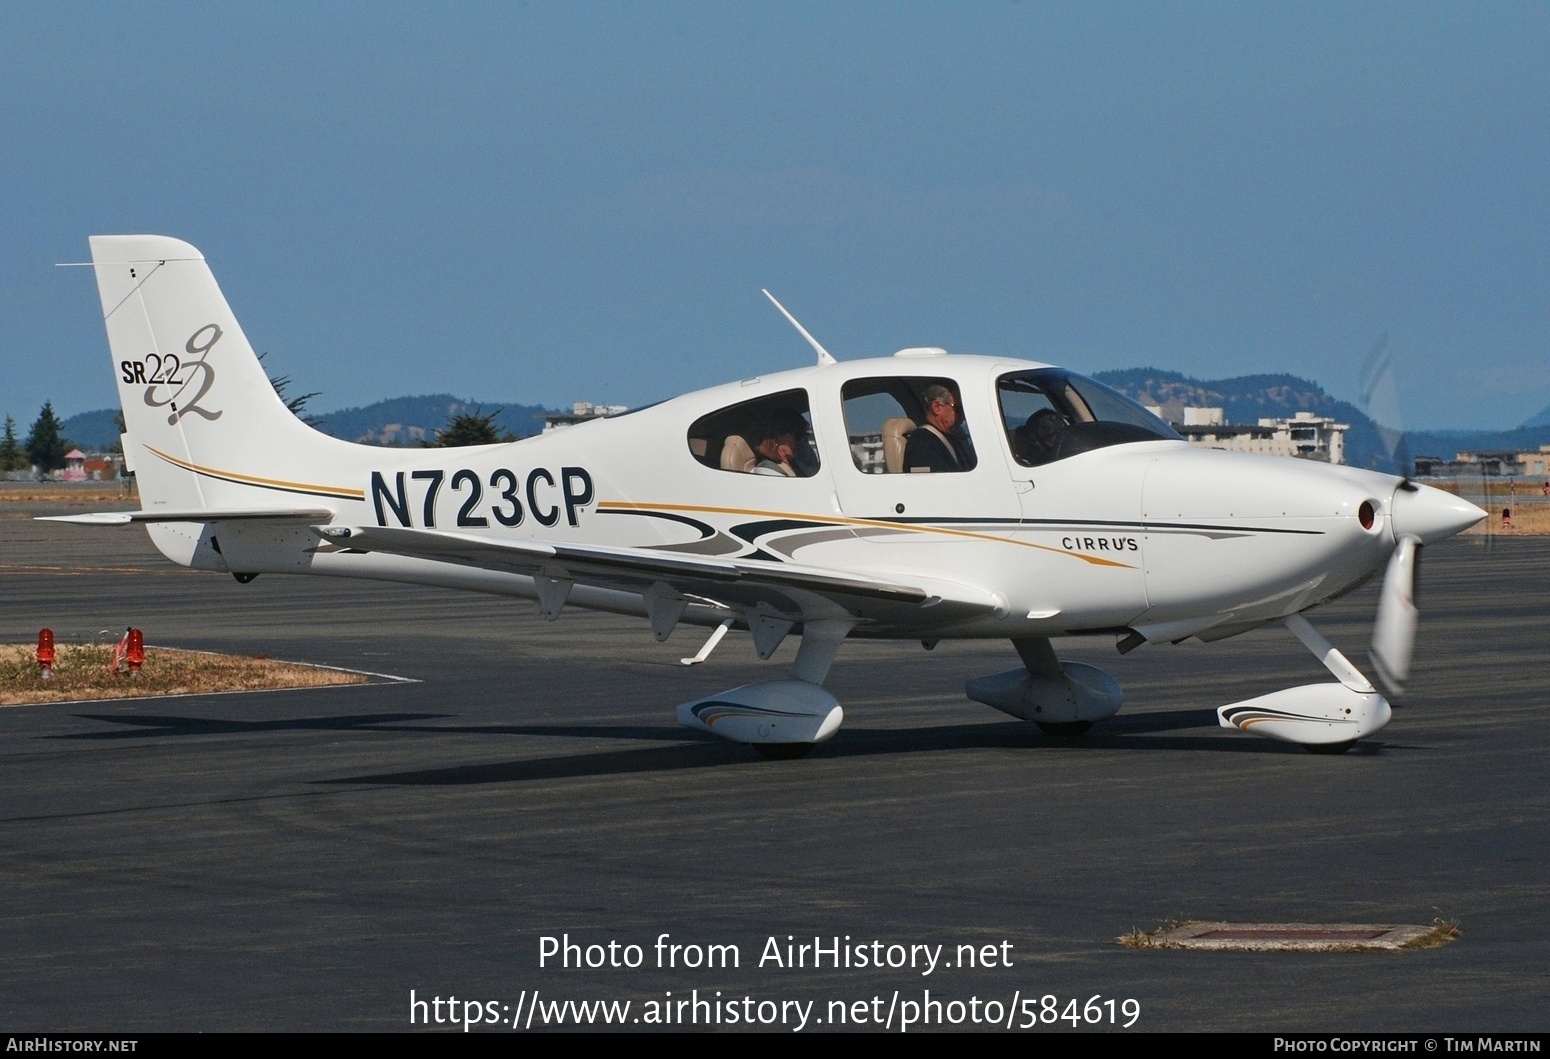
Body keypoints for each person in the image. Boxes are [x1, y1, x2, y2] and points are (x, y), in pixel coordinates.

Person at [903, 384, 970, 473]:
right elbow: (927, 483)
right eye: (958, 409)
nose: (963, 416)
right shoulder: (921, 442)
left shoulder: (952, 439)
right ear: (937, 407)